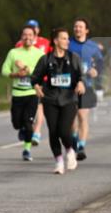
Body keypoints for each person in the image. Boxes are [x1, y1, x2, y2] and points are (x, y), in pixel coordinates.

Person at [32, 28, 85, 174]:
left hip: (68, 99)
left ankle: (70, 150)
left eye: (68, 38)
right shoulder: (46, 59)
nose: (67, 41)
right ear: (55, 41)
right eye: (64, 38)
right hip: (50, 99)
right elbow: (35, 78)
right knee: (53, 132)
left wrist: (80, 83)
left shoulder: (73, 58)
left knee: (63, 130)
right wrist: (36, 87)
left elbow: (80, 76)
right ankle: (59, 162)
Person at [1, 25, 46, 161]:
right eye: (25, 35)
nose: (28, 37)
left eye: (30, 35)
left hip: (32, 93)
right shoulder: (13, 53)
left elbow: (43, 72)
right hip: (17, 94)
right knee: (16, 123)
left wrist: (26, 68)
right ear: (21, 37)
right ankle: (21, 128)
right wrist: (15, 74)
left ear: (34, 37)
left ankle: (27, 150)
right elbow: (4, 70)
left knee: (28, 123)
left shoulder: (39, 54)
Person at [69, 18, 103, 161]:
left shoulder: (93, 46)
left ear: (86, 30)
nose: (78, 29)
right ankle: (75, 141)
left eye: (80, 27)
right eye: (76, 26)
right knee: (71, 119)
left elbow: (100, 62)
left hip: (86, 86)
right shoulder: (67, 44)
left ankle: (81, 146)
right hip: (69, 86)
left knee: (83, 116)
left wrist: (96, 70)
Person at [16, 19, 51, 144]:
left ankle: (37, 132)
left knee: (39, 106)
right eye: (30, 28)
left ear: (38, 29)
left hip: (42, 79)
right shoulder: (20, 44)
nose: (32, 30)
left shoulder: (45, 42)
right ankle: (24, 127)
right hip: (25, 80)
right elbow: (15, 59)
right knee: (23, 108)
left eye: (34, 28)